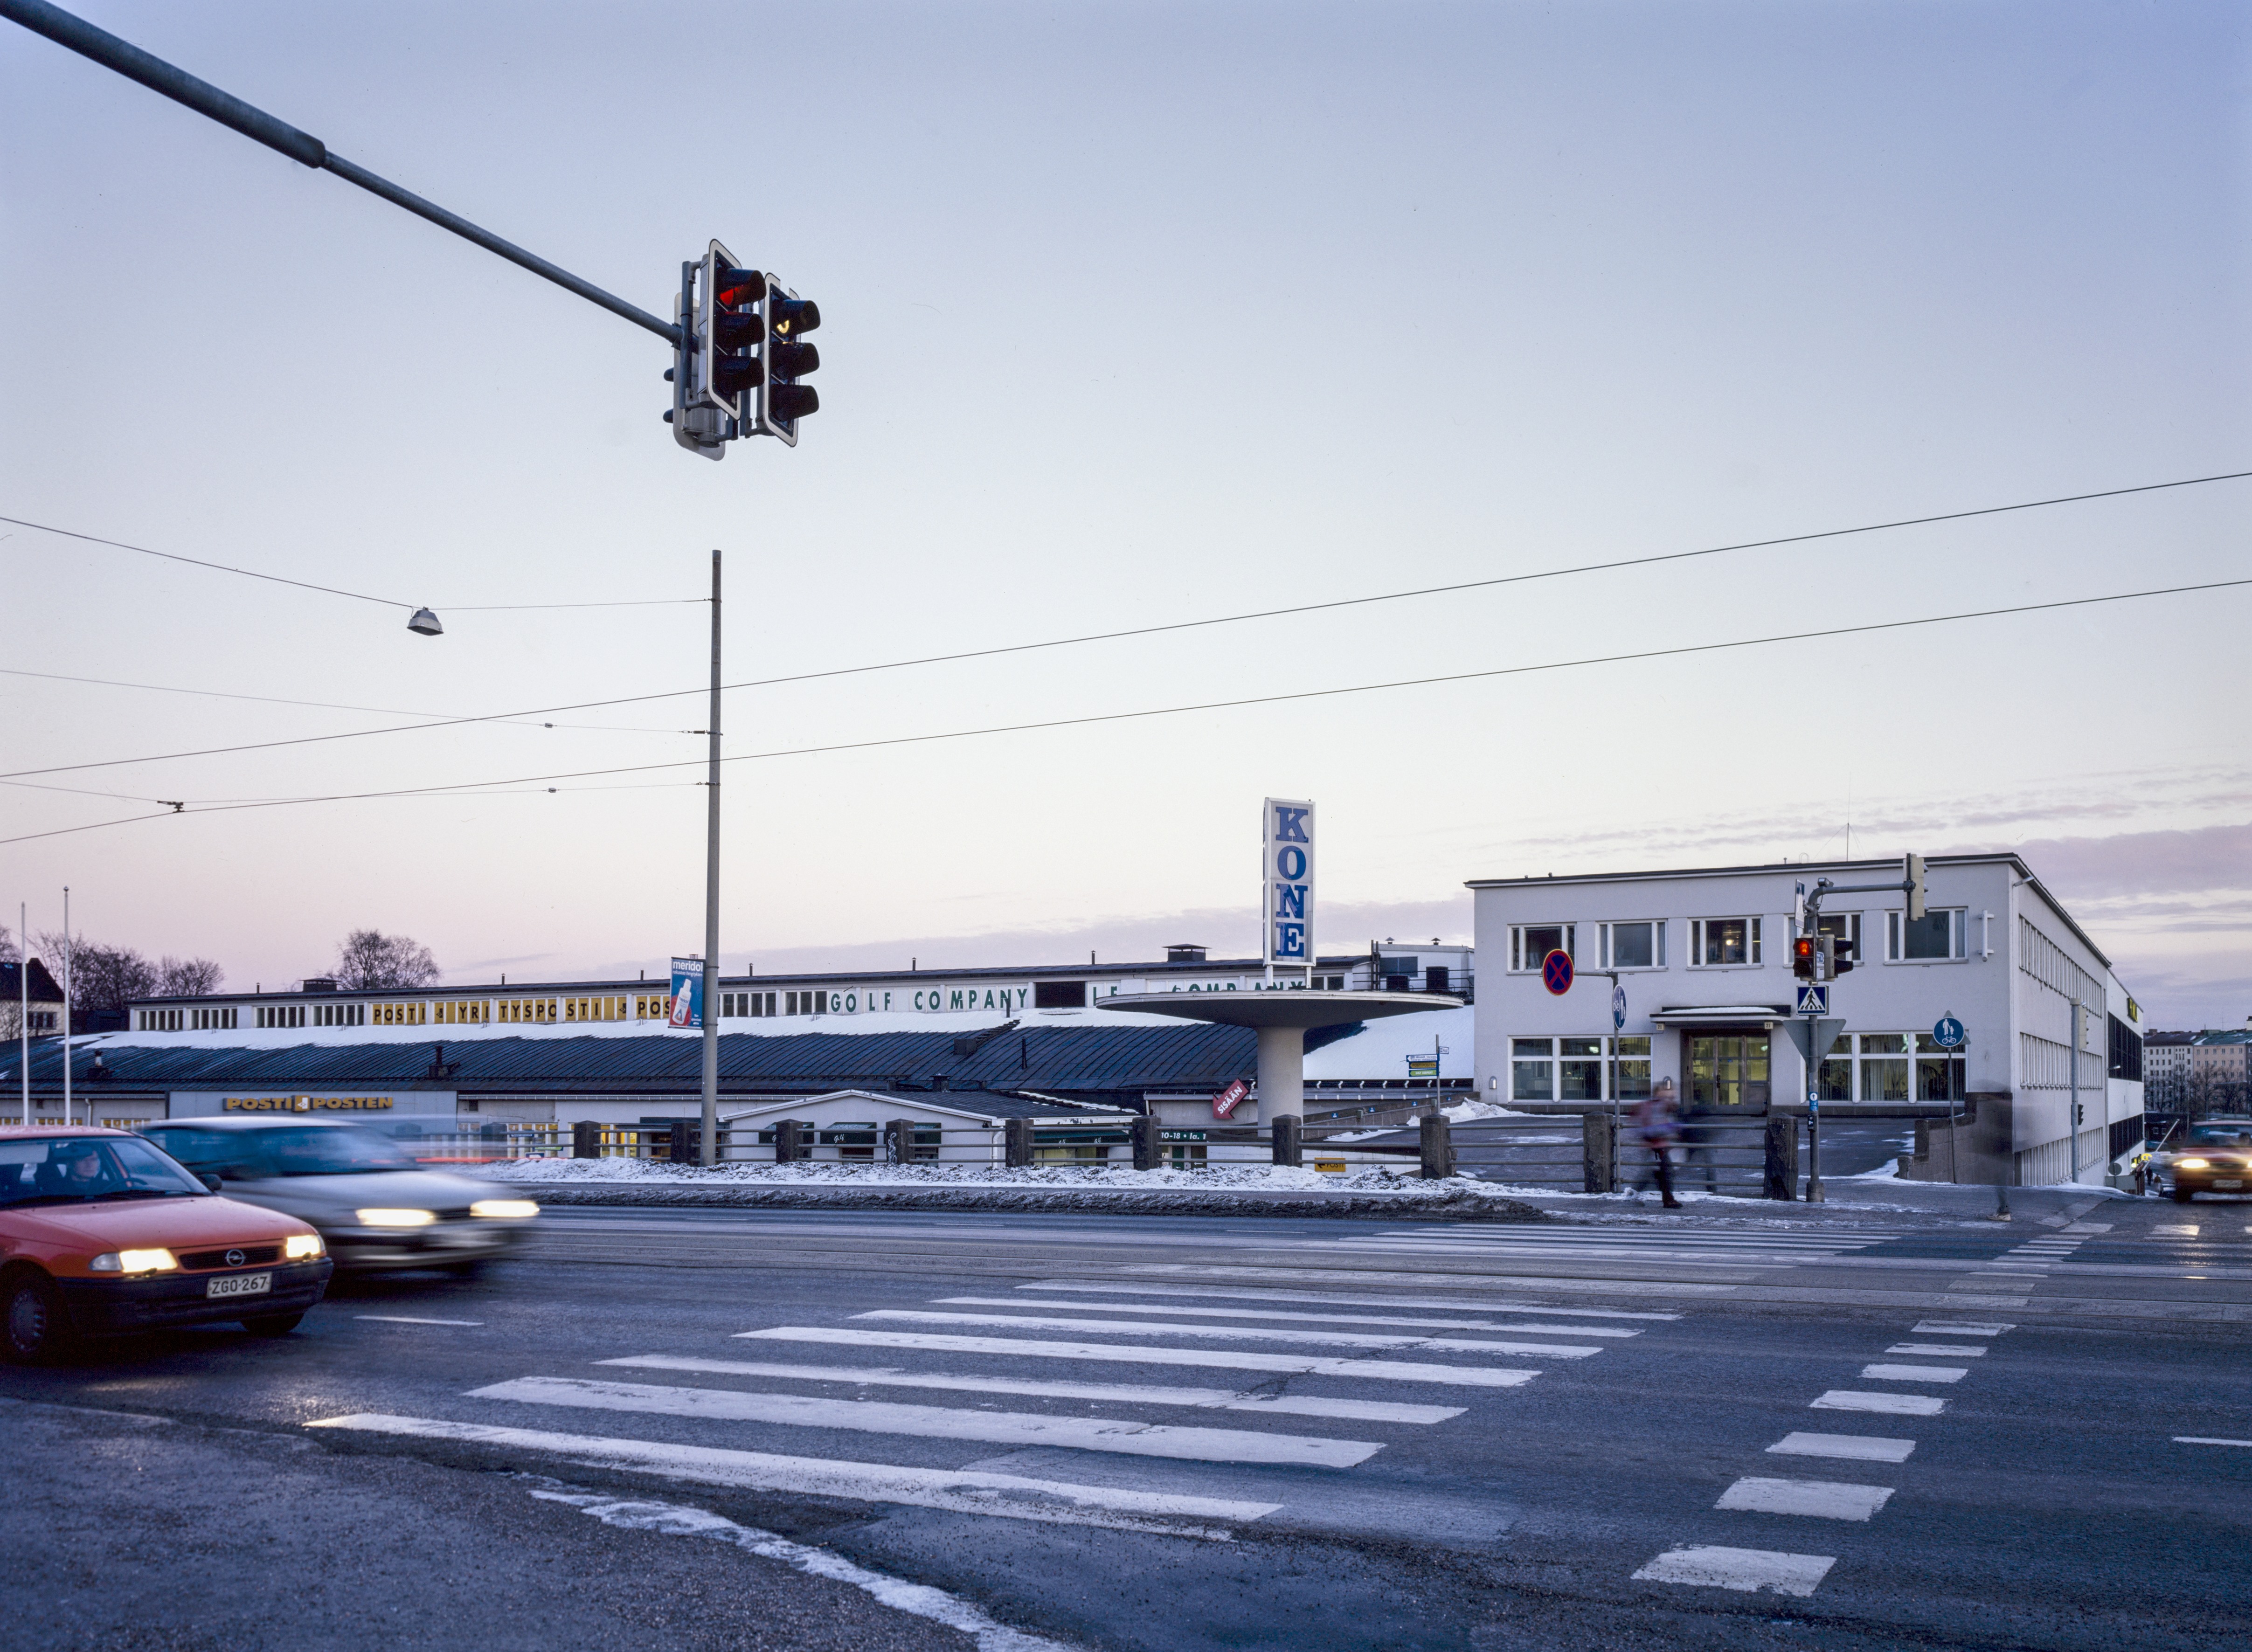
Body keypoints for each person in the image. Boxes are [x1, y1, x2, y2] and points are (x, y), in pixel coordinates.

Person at [1635, 1077, 1683, 1209]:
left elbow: (1669, 1116)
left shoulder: (1659, 1105)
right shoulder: (1653, 1106)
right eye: (1664, 1092)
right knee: (1665, 1173)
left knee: (1659, 1173)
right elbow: (1655, 1125)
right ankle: (1667, 1199)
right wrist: (1670, 1130)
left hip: (1658, 1145)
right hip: (1656, 1145)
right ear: (1658, 1093)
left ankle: (1637, 1195)